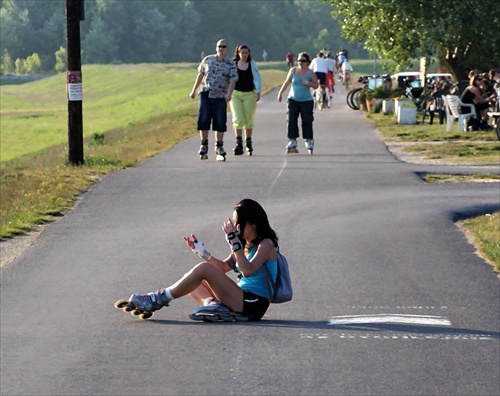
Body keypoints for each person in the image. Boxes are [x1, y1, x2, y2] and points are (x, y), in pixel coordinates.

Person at [122, 199, 279, 322]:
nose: (235, 228)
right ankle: (213, 305)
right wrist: (203, 252)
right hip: (241, 298)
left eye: (239, 224)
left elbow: (248, 270)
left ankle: (157, 299)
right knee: (192, 280)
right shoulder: (245, 244)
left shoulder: (266, 244)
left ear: (253, 223)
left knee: (204, 270)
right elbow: (223, 267)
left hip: (254, 303)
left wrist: (235, 244)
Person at [189, 39, 238, 160]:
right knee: (204, 119)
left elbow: (233, 80)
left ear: (227, 49)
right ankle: (204, 145)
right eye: (219, 46)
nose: (221, 48)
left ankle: (219, 146)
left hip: (220, 95)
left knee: (220, 121)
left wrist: (229, 94)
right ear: (216, 48)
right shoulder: (208, 60)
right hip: (206, 93)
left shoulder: (230, 64)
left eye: (223, 46)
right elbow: (200, 75)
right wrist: (193, 90)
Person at [277, 52, 319, 153]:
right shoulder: (293, 70)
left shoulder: (310, 72)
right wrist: (280, 93)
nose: (301, 62)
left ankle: (308, 140)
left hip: (306, 101)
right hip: (293, 100)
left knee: (307, 121)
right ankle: (292, 140)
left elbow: (316, 85)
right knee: (291, 120)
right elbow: (287, 82)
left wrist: (308, 83)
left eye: (303, 61)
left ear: (308, 62)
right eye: (299, 60)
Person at [229, 44, 261, 156]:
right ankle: (238, 143)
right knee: (238, 118)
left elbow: (257, 78)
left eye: (246, 53)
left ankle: (248, 142)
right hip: (235, 94)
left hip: (249, 94)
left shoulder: (252, 64)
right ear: (238, 53)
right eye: (242, 53)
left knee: (248, 118)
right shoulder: (233, 64)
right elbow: (228, 78)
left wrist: (258, 91)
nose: (244, 55)